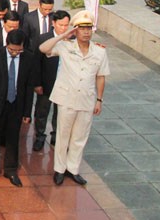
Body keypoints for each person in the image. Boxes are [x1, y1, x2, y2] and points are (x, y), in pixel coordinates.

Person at [39, 10, 108, 186]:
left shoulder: (99, 51)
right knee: (63, 135)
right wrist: (63, 36)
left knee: (80, 137)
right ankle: (59, 169)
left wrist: (99, 100)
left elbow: (101, 76)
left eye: (89, 28)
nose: (86, 32)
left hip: (86, 100)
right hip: (67, 98)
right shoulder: (65, 46)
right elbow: (43, 48)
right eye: (82, 29)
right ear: (75, 30)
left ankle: (73, 169)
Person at [0, 30, 33, 187]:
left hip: (16, 104)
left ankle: (10, 170)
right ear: (6, 44)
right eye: (12, 50)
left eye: (18, 50)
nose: (15, 53)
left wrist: (27, 112)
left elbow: (28, 87)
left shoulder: (28, 58)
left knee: (13, 138)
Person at [31, 10, 70, 151]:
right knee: (42, 112)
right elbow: (36, 62)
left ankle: (56, 136)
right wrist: (37, 83)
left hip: (64, 85)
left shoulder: (71, 40)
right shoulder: (43, 39)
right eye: (61, 25)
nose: (64, 28)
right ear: (53, 23)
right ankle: (40, 136)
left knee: (60, 113)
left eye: (66, 25)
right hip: (46, 83)